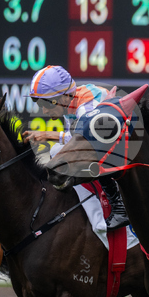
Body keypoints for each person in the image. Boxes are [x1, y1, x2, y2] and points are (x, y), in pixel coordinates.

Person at [23, 66, 127, 227]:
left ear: (64, 97)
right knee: (58, 151)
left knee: (66, 151)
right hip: (112, 141)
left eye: (47, 103)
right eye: (39, 103)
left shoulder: (86, 105)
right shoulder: (69, 104)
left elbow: (86, 139)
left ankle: (119, 206)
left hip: (124, 145)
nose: (43, 109)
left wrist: (49, 135)